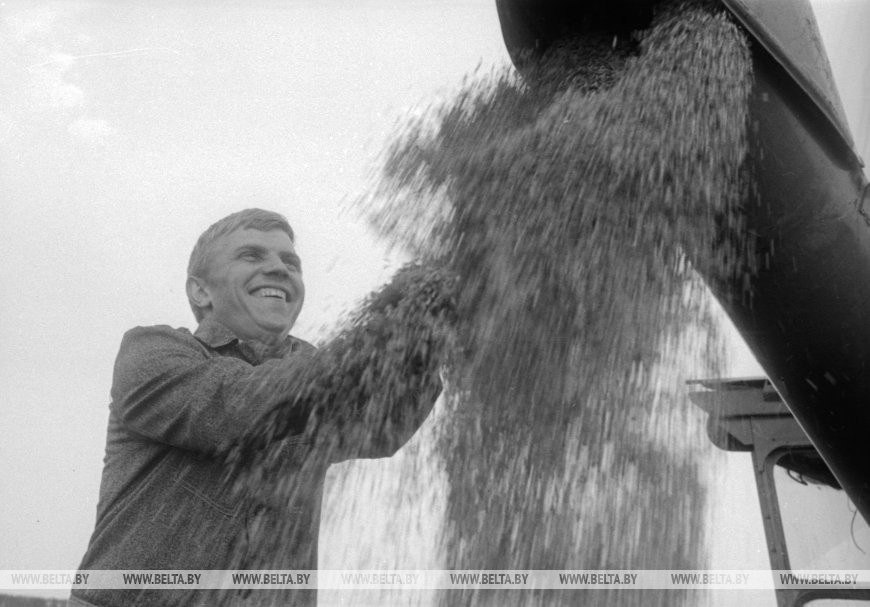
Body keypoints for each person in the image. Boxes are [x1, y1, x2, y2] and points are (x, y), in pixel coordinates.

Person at [70, 208, 449, 607]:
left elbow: (381, 427)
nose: (278, 269)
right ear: (201, 292)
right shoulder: (153, 353)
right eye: (251, 256)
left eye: (290, 262)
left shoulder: (315, 367)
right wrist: (375, 337)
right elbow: (234, 407)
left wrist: (422, 347)